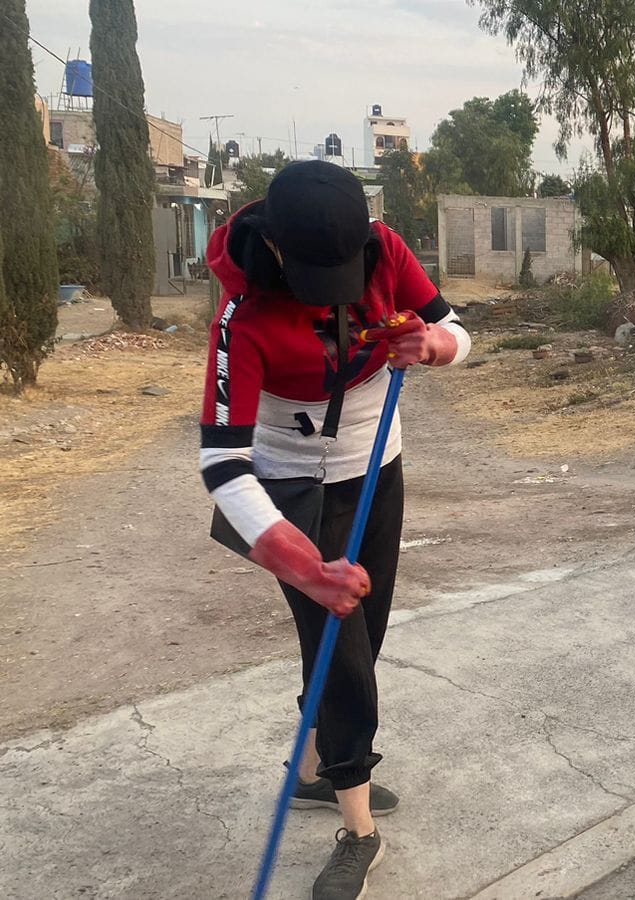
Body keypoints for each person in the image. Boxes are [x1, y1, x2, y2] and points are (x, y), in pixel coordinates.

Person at [199, 161, 471, 899]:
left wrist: (435, 347)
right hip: (287, 486)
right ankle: (359, 831)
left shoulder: (384, 248)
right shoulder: (242, 317)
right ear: (278, 248)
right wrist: (297, 560)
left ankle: (314, 772)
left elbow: (455, 328)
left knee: (366, 635)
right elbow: (223, 465)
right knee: (341, 654)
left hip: (376, 466)